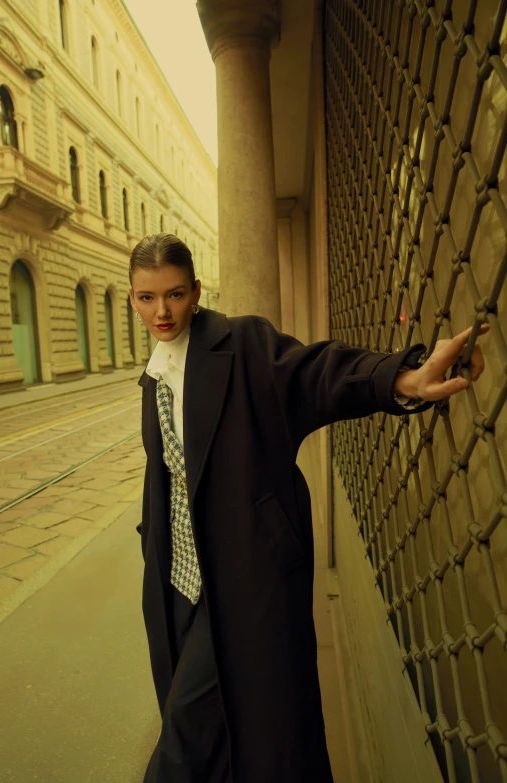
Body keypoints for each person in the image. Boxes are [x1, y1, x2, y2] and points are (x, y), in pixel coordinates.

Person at [129, 233, 488, 783]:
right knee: (213, 726)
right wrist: (150, 537)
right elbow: (169, 477)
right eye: (146, 298)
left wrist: (403, 376)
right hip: (179, 585)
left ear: (197, 291)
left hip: (244, 576)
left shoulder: (241, 344)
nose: (161, 311)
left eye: (174, 295)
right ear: (132, 298)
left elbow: (316, 373)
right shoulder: (152, 378)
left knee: (185, 738)